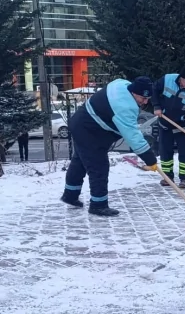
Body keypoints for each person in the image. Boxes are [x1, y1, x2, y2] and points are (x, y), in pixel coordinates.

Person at [60, 77, 158, 216]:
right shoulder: (125, 106)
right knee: (99, 166)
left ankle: (70, 195)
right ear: (134, 92)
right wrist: (150, 159)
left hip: (81, 122)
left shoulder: (122, 84)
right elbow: (133, 136)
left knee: (80, 161)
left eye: (148, 98)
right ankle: (98, 205)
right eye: (143, 98)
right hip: (89, 131)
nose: (145, 102)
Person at [152, 66, 185, 188]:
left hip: (183, 126)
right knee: (165, 152)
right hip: (165, 123)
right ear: (181, 78)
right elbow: (154, 90)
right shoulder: (167, 79)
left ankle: (184, 179)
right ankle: (167, 177)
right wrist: (157, 106)